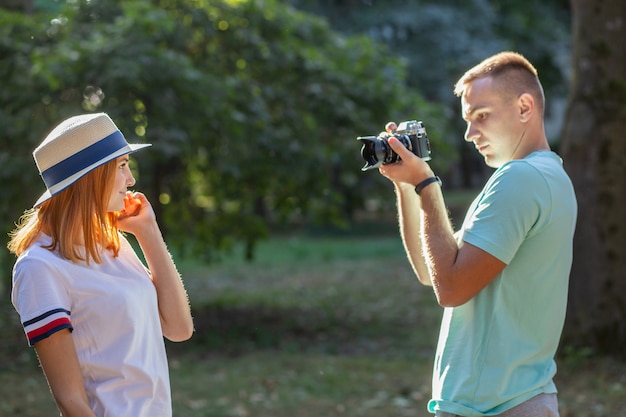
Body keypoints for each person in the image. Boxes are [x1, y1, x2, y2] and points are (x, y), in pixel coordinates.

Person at [378, 51, 577, 416]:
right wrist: (407, 185)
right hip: (505, 402)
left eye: (481, 116)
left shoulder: (522, 178)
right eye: (468, 120)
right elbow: (431, 270)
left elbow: (450, 289)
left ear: (524, 107)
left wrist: (427, 185)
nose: (470, 134)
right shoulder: (547, 177)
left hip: (497, 407)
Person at [8, 112, 194, 417]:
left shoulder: (112, 244)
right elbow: (71, 401)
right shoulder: (39, 267)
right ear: (89, 177)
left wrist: (148, 232)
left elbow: (178, 328)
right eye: (121, 166)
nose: (131, 180)